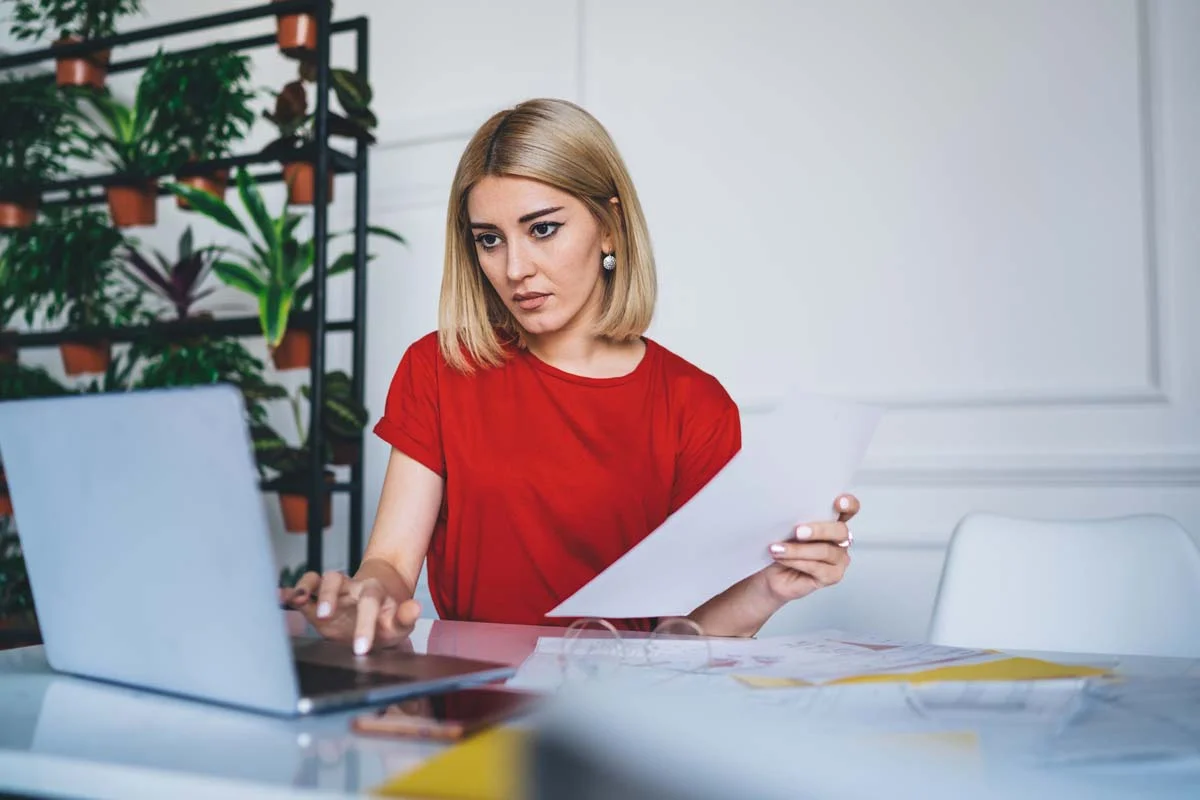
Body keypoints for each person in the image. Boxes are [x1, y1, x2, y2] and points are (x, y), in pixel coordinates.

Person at [283, 98, 858, 654]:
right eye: (489, 239)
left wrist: (769, 587)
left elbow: (684, 640)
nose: (514, 268)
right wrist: (367, 599)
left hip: (619, 725)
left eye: (542, 229)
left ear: (609, 227)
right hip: (469, 715)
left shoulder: (695, 406)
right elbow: (390, 563)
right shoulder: (439, 368)